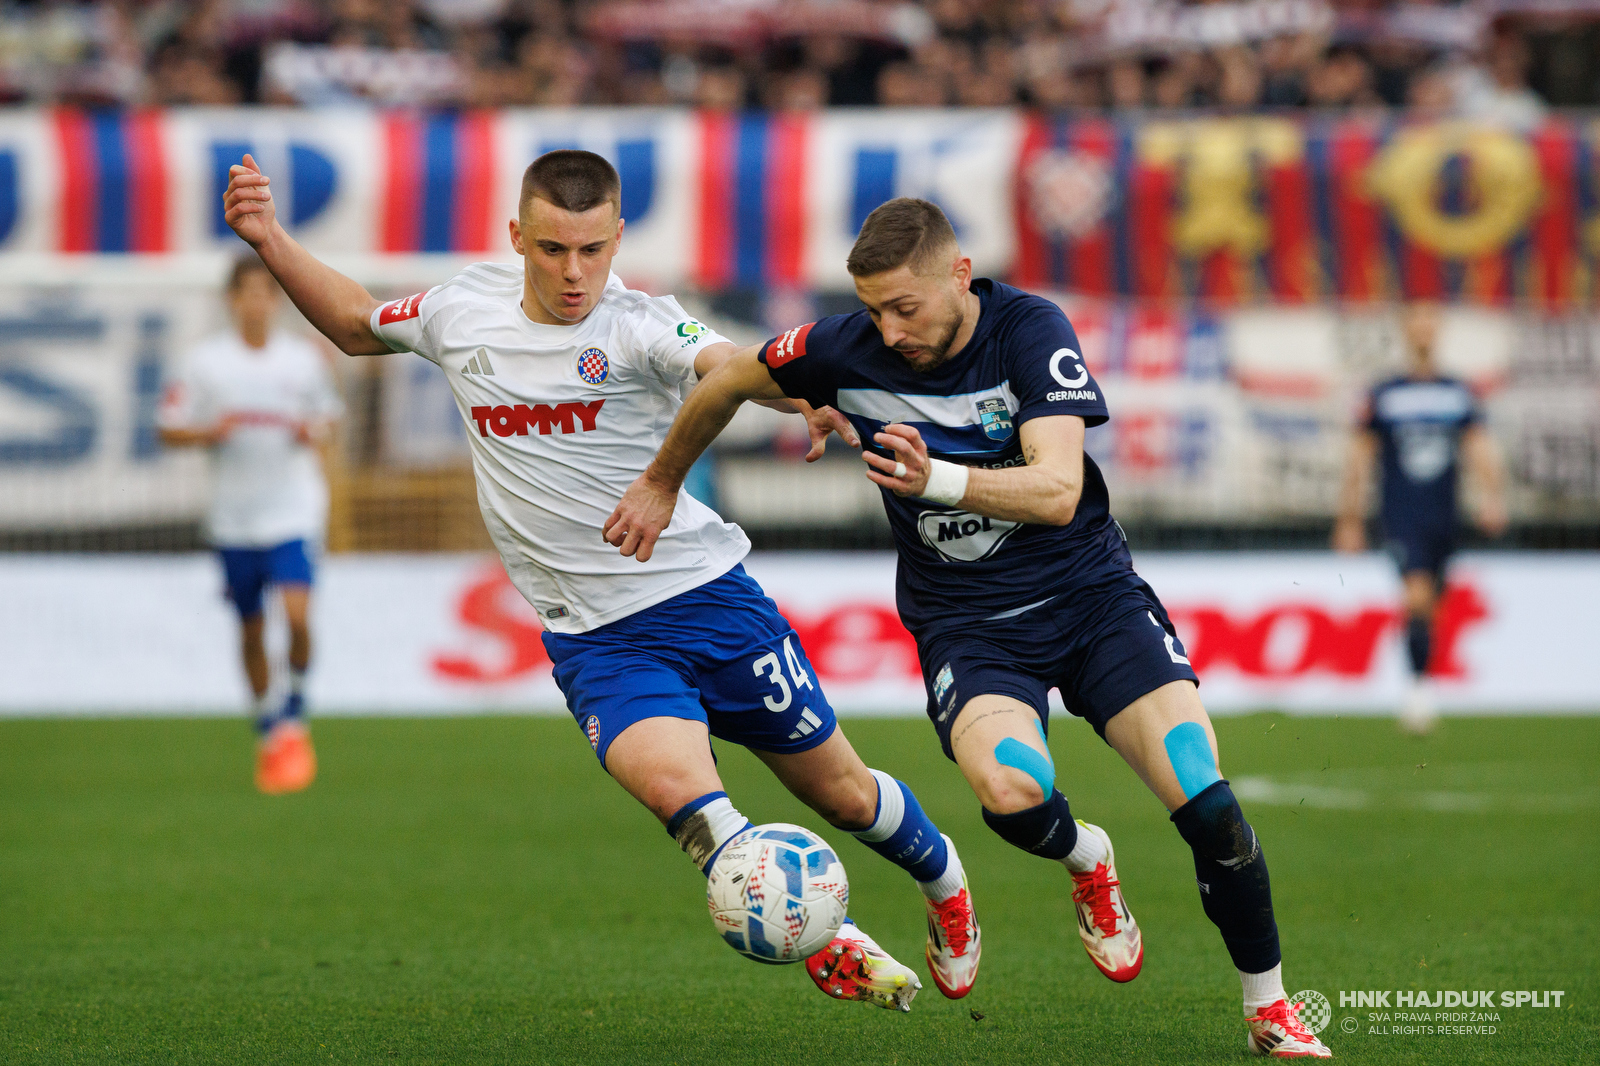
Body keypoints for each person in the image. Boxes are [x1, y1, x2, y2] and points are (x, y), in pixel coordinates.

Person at [221, 150, 982, 1010]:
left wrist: (795, 395)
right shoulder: (460, 311)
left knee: (842, 795)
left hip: (707, 601)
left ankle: (946, 884)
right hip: (597, 637)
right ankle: (825, 934)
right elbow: (357, 322)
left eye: (592, 250)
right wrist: (270, 238)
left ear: (618, 238)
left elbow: (726, 364)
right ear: (518, 236)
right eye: (551, 250)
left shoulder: (638, 324)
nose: (574, 272)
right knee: (684, 799)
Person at [605, 198, 1334, 1058]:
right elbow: (726, 379)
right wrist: (664, 479)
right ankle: (1087, 858)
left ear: (959, 276)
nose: (888, 328)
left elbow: (1058, 489)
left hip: (1092, 599)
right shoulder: (844, 350)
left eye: (904, 308)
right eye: (872, 309)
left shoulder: (1030, 331)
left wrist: (937, 481)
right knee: (1012, 792)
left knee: (1200, 789)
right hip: (969, 624)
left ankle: (1268, 1008)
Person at [157, 255, 343, 795]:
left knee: (298, 614)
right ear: (232, 300)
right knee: (251, 627)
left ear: (276, 300)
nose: (258, 302)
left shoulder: (302, 360)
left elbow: (328, 419)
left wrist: (315, 433)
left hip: (293, 511)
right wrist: (208, 432)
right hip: (234, 519)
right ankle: (269, 723)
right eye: (248, 292)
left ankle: (296, 700)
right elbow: (169, 428)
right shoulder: (205, 363)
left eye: (267, 292)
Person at [1334, 302, 1507, 733]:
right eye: (1417, 322)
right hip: (1401, 515)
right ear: (1405, 330)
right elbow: (1359, 457)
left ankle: (1421, 684)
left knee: (1432, 606)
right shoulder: (1385, 393)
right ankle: (1416, 694)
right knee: (1417, 597)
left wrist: (1493, 497)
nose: (1424, 330)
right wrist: (1350, 519)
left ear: (1439, 330)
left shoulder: (1456, 391)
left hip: (1444, 515)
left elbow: (1479, 446)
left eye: (1431, 321)